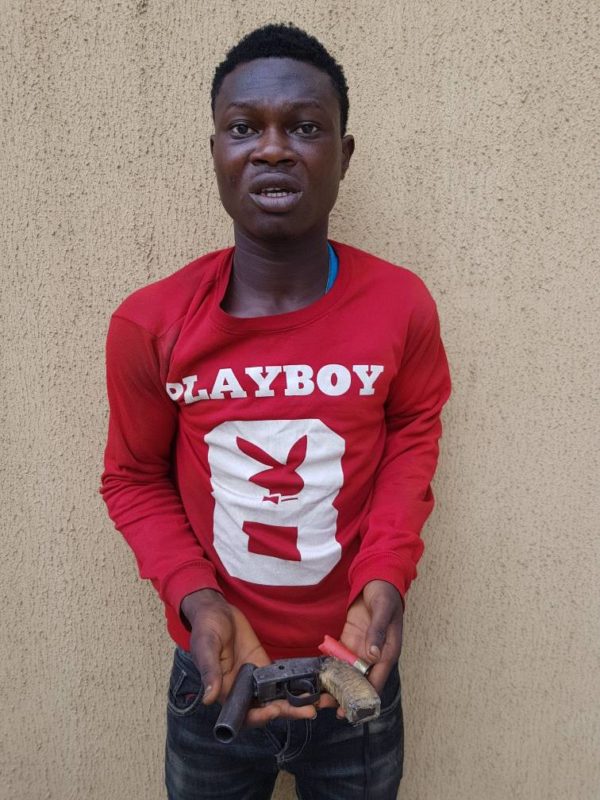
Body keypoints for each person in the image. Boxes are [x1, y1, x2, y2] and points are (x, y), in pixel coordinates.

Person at [101, 22, 451, 800]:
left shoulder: (400, 306)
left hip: (355, 673)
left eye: (303, 127)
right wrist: (196, 599)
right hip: (215, 675)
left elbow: (411, 437)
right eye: (243, 128)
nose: (271, 149)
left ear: (344, 154)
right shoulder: (151, 323)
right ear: (216, 152)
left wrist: (388, 574)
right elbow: (132, 477)